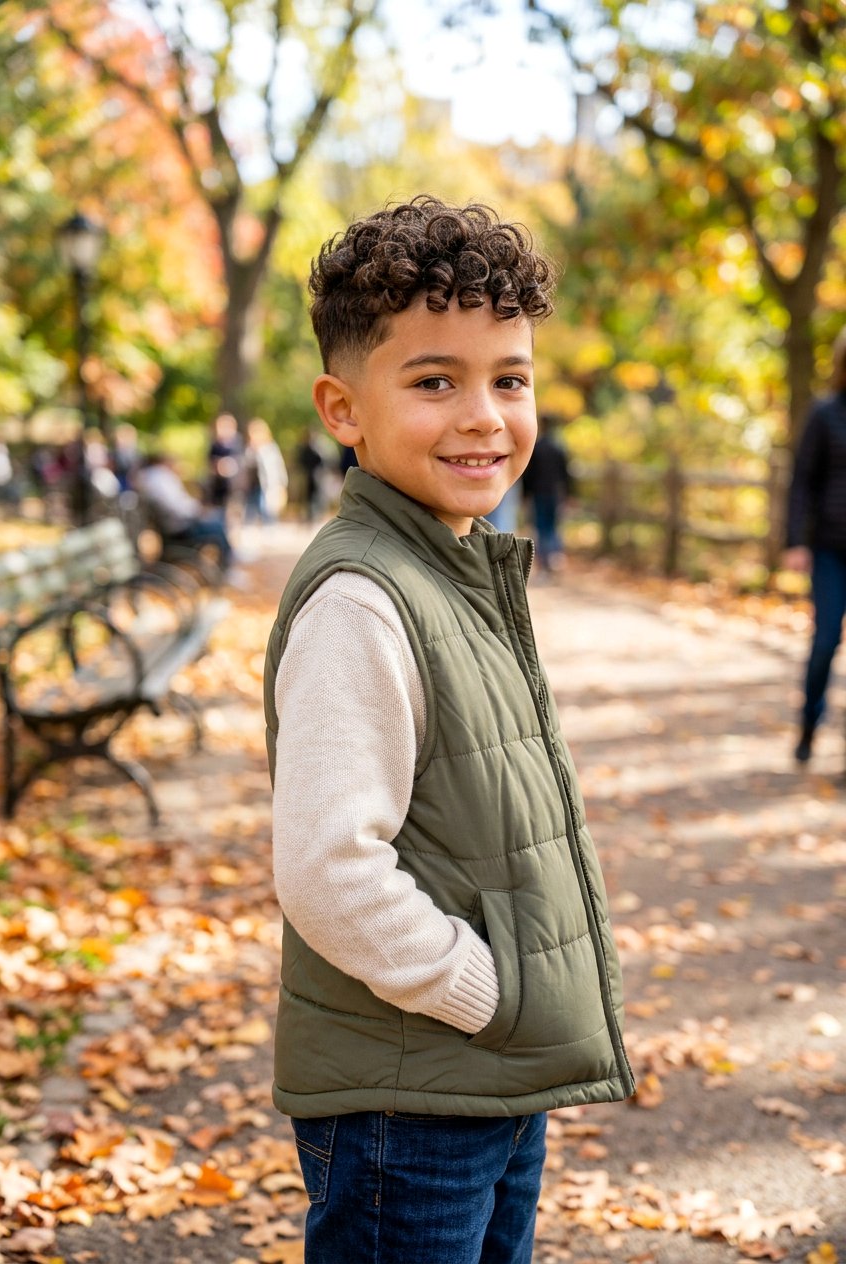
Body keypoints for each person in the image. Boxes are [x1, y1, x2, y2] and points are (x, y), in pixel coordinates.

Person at [263, 196, 634, 1264]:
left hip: (485, 1076)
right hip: (410, 1097)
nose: (483, 414)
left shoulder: (454, 567)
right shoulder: (362, 599)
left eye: (507, 379)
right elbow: (331, 867)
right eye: (434, 381)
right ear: (343, 407)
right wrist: (486, 990)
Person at [784, 327, 846, 763]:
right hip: (829, 547)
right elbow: (802, 479)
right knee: (825, 641)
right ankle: (809, 723)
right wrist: (796, 541)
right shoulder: (825, 413)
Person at [136, 452, 233, 572]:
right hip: (179, 528)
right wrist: (199, 511)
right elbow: (178, 508)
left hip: (173, 525)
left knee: (216, 518)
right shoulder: (161, 478)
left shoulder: (149, 478)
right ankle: (226, 567)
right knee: (217, 525)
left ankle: (226, 565)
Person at [521, 411, 573, 572]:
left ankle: (544, 563)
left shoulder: (536, 449)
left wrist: (525, 494)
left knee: (541, 527)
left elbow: (527, 475)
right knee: (553, 526)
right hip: (555, 493)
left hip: (538, 493)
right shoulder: (559, 448)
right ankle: (556, 556)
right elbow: (566, 474)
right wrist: (570, 494)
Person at [242, 417, 288, 524]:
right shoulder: (249, 450)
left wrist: (281, 486)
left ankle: (270, 532)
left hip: (269, 486)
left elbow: (278, 468)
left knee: (267, 511)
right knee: (250, 510)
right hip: (253, 487)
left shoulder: (270, 449)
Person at [206, 412, 242, 521]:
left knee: (234, 511)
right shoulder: (214, 444)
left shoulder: (237, 442)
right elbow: (209, 461)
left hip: (234, 484)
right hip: (217, 484)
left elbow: (241, 461)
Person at [294, 428, 324, 521]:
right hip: (307, 476)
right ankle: (309, 515)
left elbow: (322, 462)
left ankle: (315, 515)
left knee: (316, 496)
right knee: (307, 498)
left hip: (315, 476)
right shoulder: (305, 449)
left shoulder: (317, 449)